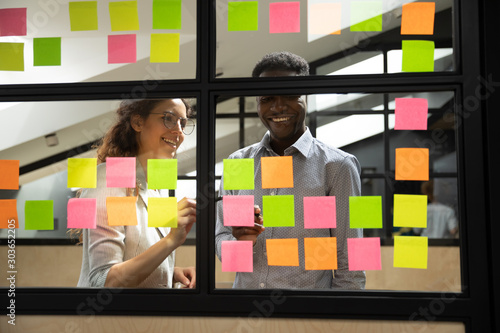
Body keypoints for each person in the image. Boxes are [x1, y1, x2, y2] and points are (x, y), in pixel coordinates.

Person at [215, 51, 366, 289]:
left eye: (289, 94)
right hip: (243, 313)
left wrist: (335, 320)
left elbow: (352, 263)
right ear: (258, 103)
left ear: (306, 96)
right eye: (267, 98)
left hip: (306, 318)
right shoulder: (238, 163)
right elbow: (223, 241)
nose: (278, 107)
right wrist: (244, 243)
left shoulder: (336, 167)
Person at [77, 99, 197, 288]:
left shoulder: (156, 186)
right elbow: (105, 280)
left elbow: (136, 257)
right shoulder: (113, 176)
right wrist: (171, 240)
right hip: (110, 317)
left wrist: (171, 273)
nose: (179, 132)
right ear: (138, 123)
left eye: (182, 123)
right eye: (168, 118)